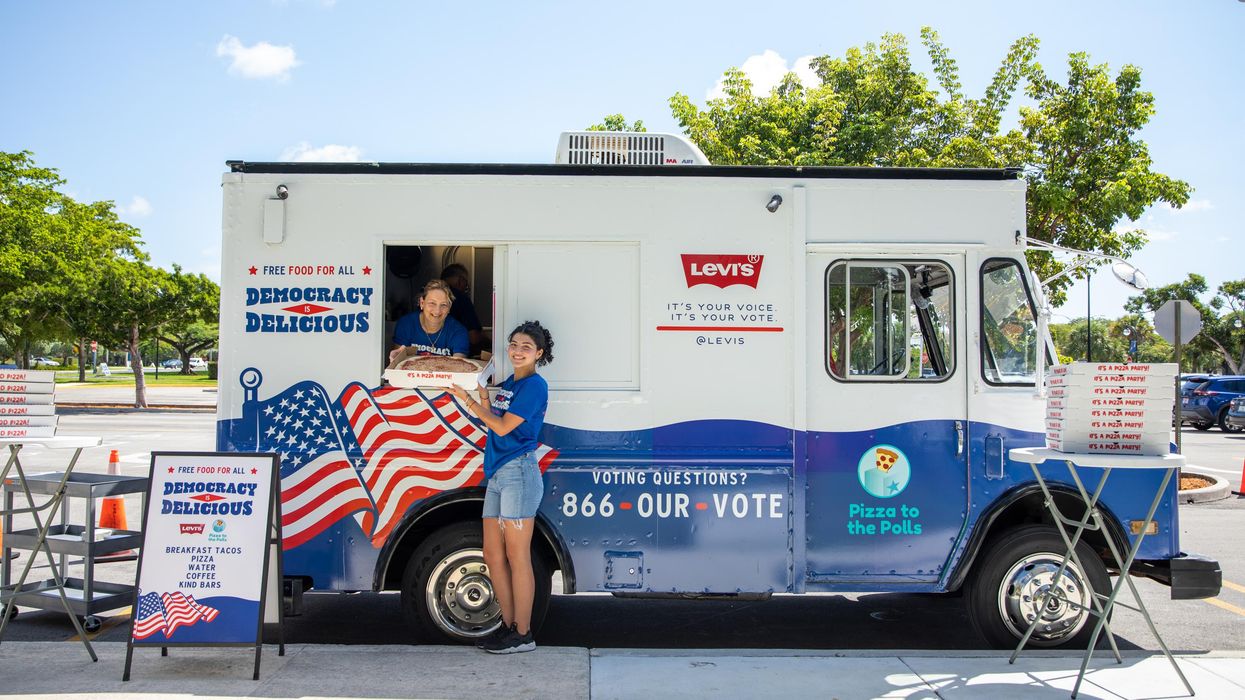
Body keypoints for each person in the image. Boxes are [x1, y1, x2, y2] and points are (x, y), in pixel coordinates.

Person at [447, 320, 554, 654]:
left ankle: (523, 633)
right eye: (514, 344)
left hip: (519, 473)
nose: (518, 351)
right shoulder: (511, 383)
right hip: (497, 474)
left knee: (516, 556)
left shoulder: (535, 386)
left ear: (539, 353)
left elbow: (504, 426)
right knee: (493, 555)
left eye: (526, 347)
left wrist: (469, 402)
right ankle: (508, 628)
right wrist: (482, 392)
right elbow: (496, 416)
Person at [389, 279, 470, 363]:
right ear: (422, 303)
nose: (437, 311)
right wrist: (396, 358)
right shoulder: (406, 324)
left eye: (443, 305)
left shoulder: (458, 332)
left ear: (449, 307)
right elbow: (398, 364)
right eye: (432, 303)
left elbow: (458, 367)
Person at [440, 263, 488, 356]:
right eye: (466, 284)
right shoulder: (461, 298)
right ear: (460, 281)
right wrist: (490, 341)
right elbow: (473, 337)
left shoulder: (427, 296)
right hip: (455, 353)